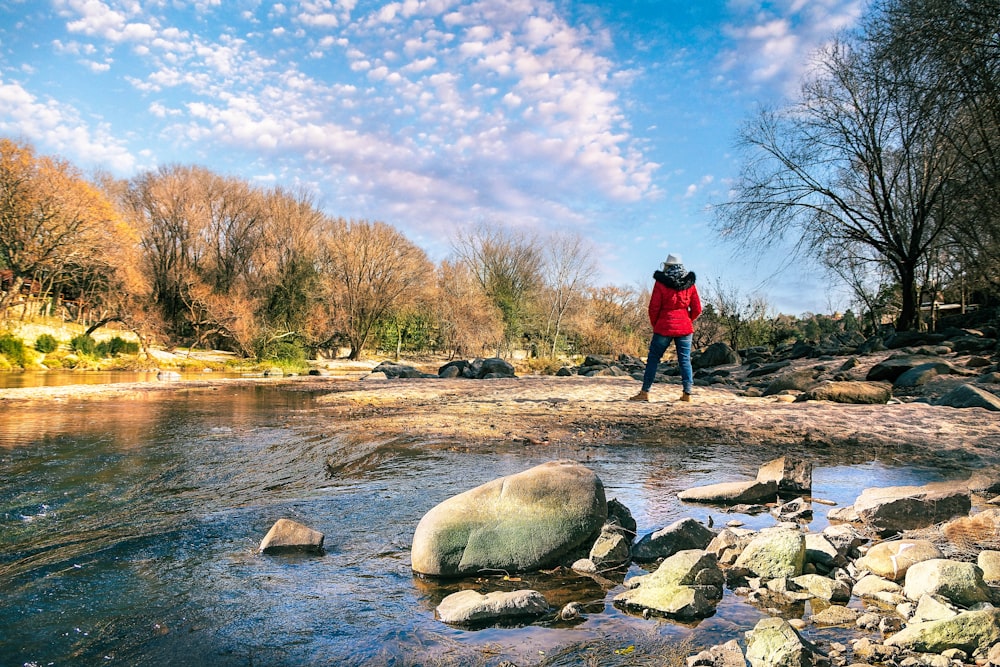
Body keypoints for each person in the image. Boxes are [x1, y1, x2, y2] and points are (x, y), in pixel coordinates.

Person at [630, 253, 702, 402]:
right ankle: (687, 394)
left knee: (653, 359)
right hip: (685, 327)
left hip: (664, 325)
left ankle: (645, 392)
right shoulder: (690, 283)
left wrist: (655, 324)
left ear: (667, 266)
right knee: (684, 360)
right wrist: (688, 320)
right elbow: (697, 308)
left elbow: (654, 307)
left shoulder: (661, 282)